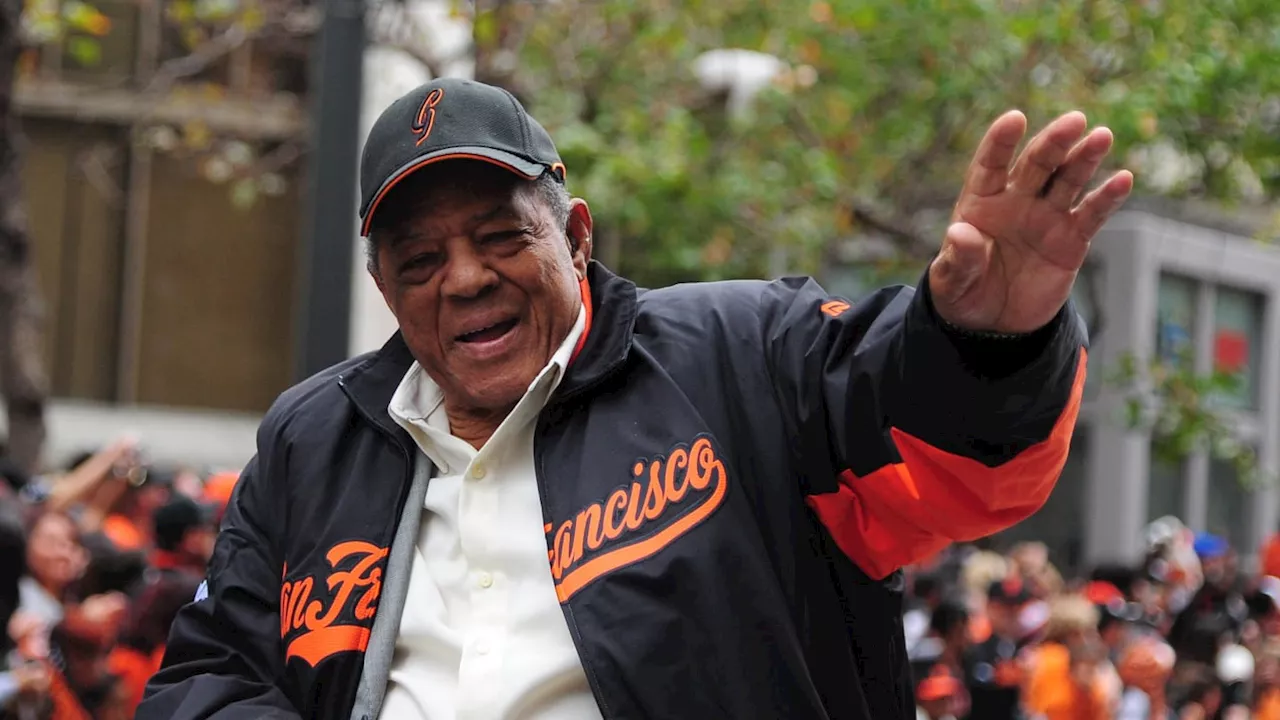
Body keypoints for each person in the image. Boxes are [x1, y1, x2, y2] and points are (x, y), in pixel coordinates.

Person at [141, 78, 1131, 719]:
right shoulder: (312, 441)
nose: (466, 279)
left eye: (498, 237)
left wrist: (988, 341)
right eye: (420, 260)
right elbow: (206, 679)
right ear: (384, 291)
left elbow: (950, 472)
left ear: (573, 234)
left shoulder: (743, 353)